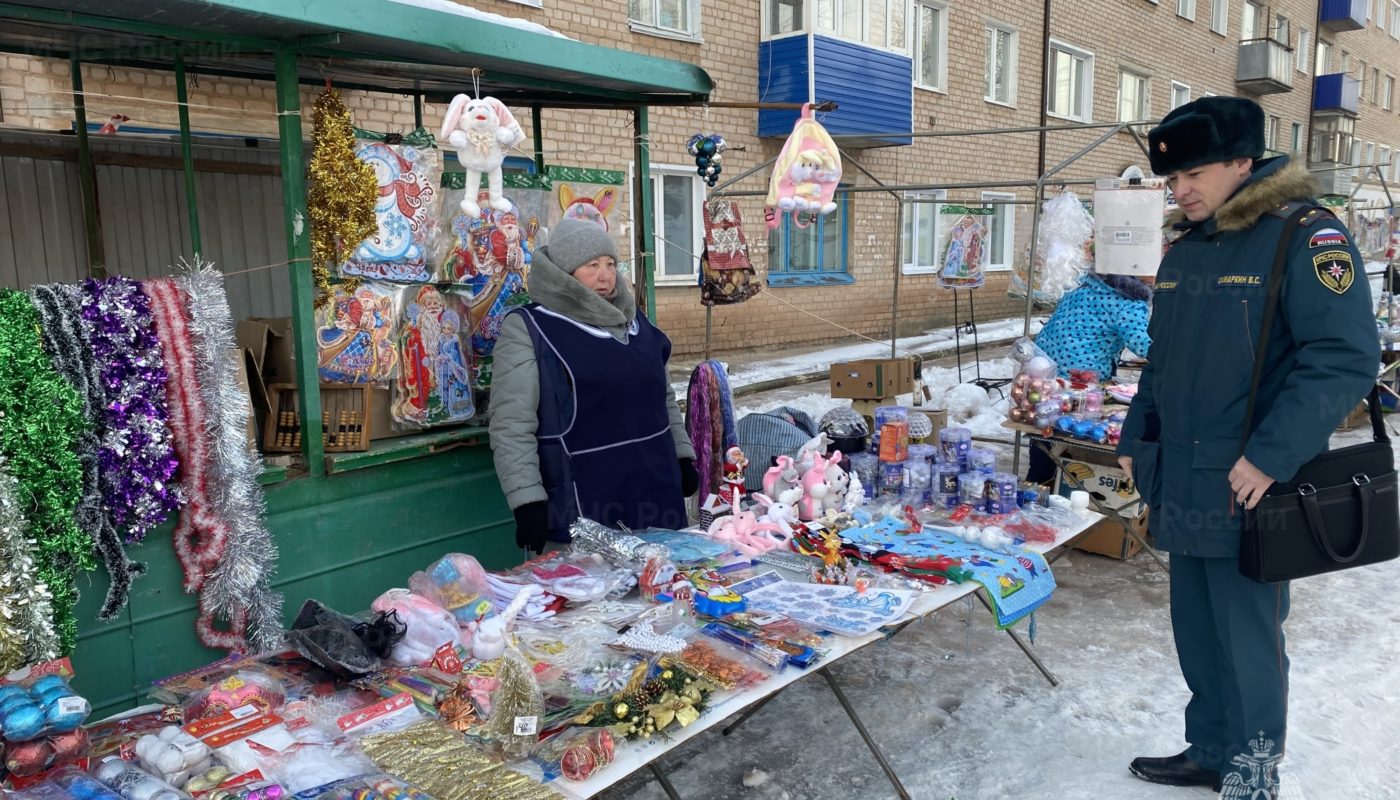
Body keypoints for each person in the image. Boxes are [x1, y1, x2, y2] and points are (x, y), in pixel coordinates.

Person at [1116, 97, 1378, 796]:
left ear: (1242, 161)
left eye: (1193, 173)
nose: (1180, 190)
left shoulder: (1302, 237)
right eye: (1172, 180)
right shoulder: (1188, 249)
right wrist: (1134, 438)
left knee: (1249, 639)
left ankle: (1254, 765)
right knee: (1198, 631)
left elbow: (1345, 357)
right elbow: (1162, 361)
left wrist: (1270, 455)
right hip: (1184, 476)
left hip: (1247, 482)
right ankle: (1211, 748)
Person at [490, 218, 699, 554]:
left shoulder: (635, 322)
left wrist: (682, 456)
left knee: (667, 594)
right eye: (592, 266)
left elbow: (662, 397)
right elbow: (511, 424)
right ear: (565, 271)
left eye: (610, 264)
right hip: (585, 503)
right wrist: (526, 499)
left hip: (656, 493)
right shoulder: (531, 328)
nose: (606, 276)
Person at [1025, 271, 1153, 484]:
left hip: (1044, 372)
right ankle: (1066, 488)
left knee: (1044, 431)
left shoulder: (1086, 288)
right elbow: (1146, 346)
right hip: (1080, 383)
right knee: (1075, 436)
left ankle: (1039, 484)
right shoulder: (1127, 303)